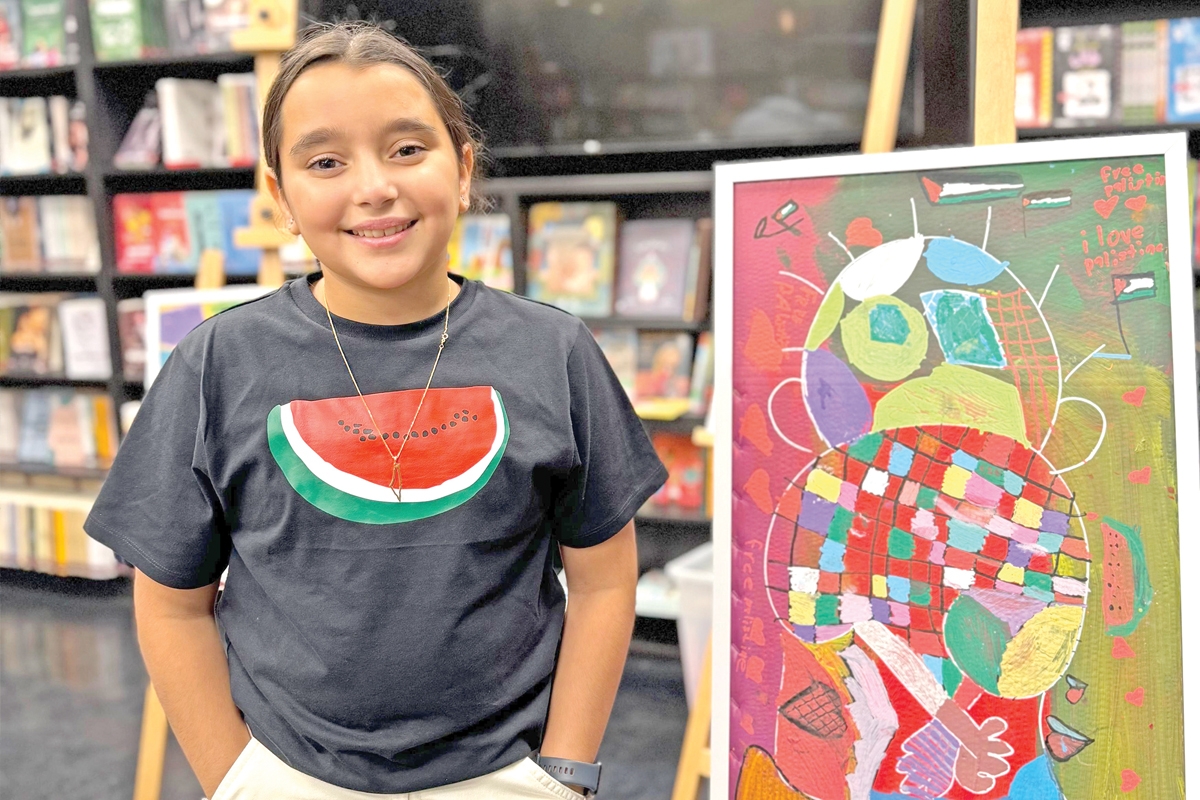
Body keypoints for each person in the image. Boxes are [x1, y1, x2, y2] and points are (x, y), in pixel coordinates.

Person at [84, 21, 667, 800]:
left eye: (407, 149)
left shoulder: (555, 353)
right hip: (288, 773)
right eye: (326, 162)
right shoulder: (216, 364)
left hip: (509, 773)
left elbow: (603, 581)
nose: (374, 188)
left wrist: (563, 773)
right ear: (281, 197)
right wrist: (236, 779)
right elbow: (170, 605)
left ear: (463, 169)